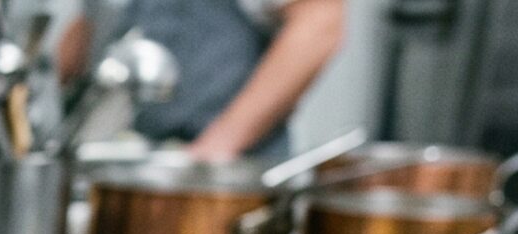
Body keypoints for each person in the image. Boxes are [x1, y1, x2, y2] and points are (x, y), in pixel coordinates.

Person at [65, 0, 346, 162]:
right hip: (129, 160)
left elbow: (320, 25)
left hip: (224, 182)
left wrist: (216, 148)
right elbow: (89, 27)